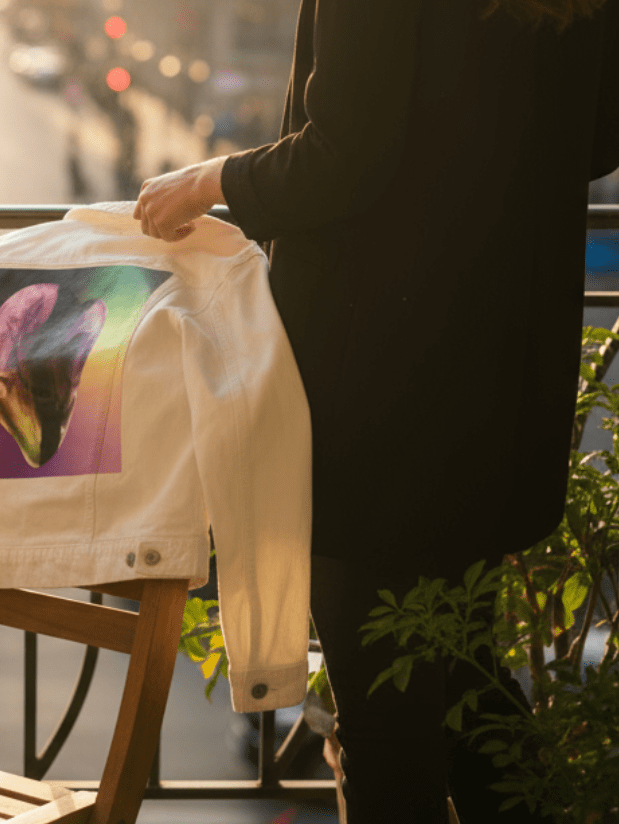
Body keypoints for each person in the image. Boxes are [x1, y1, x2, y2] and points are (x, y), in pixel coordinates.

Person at [133, 0, 619, 821]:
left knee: (387, 721)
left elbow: (345, 156)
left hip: (379, 397)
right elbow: (596, 135)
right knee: (467, 685)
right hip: (496, 379)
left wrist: (210, 179)